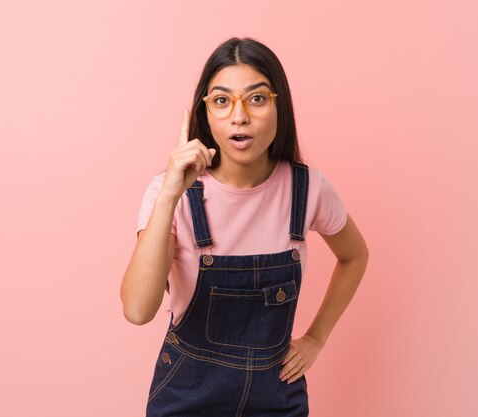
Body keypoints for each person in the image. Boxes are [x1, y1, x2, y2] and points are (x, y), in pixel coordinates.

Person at [120, 37, 369, 417]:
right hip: (188, 398)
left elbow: (355, 256)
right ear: (205, 113)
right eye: (222, 101)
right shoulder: (168, 194)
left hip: (276, 400)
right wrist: (171, 194)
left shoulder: (308, 189)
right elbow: (137, 310)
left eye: (256, 99)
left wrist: (316, 339)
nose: (239, 116)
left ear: (278, 105)